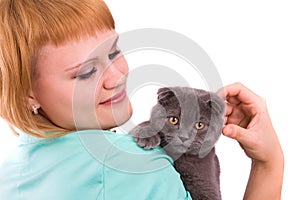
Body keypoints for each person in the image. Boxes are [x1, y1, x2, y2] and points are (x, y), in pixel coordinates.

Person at [0, 0, 283, 200]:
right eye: (86, 72)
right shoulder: (130, 165)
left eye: (113, 52)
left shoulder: (9, 172)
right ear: (28, 93)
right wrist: (270, 164)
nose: (116, 76)